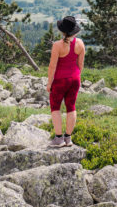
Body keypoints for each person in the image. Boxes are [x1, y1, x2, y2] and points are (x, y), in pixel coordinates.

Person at [46, 15, 85, 148]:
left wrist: (49, 83)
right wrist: (75, 76)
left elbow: (52, 66)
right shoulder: (80, 43)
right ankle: (68, 138)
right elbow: (80, 65)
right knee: (71, 107)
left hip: (59, 81)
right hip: (74, 79)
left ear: (62, 31)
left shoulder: (57, 45)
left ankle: (58, 138)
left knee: (55, 107)